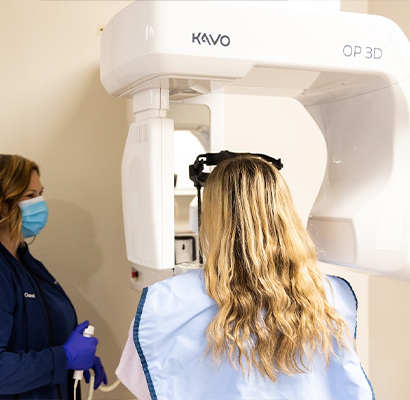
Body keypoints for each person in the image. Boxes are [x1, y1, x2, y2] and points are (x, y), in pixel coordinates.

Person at [116, 154, 374, 400]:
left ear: (212, 218)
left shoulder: (166, 303)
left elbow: (145, 385)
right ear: (284, 214)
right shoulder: (333, 295)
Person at [0, 154, 107, 400]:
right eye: (30, 196)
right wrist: (65, 358)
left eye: (40, 194)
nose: (40, 203)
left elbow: (35, 333)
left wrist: (75, 359)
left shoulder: (24, 262)